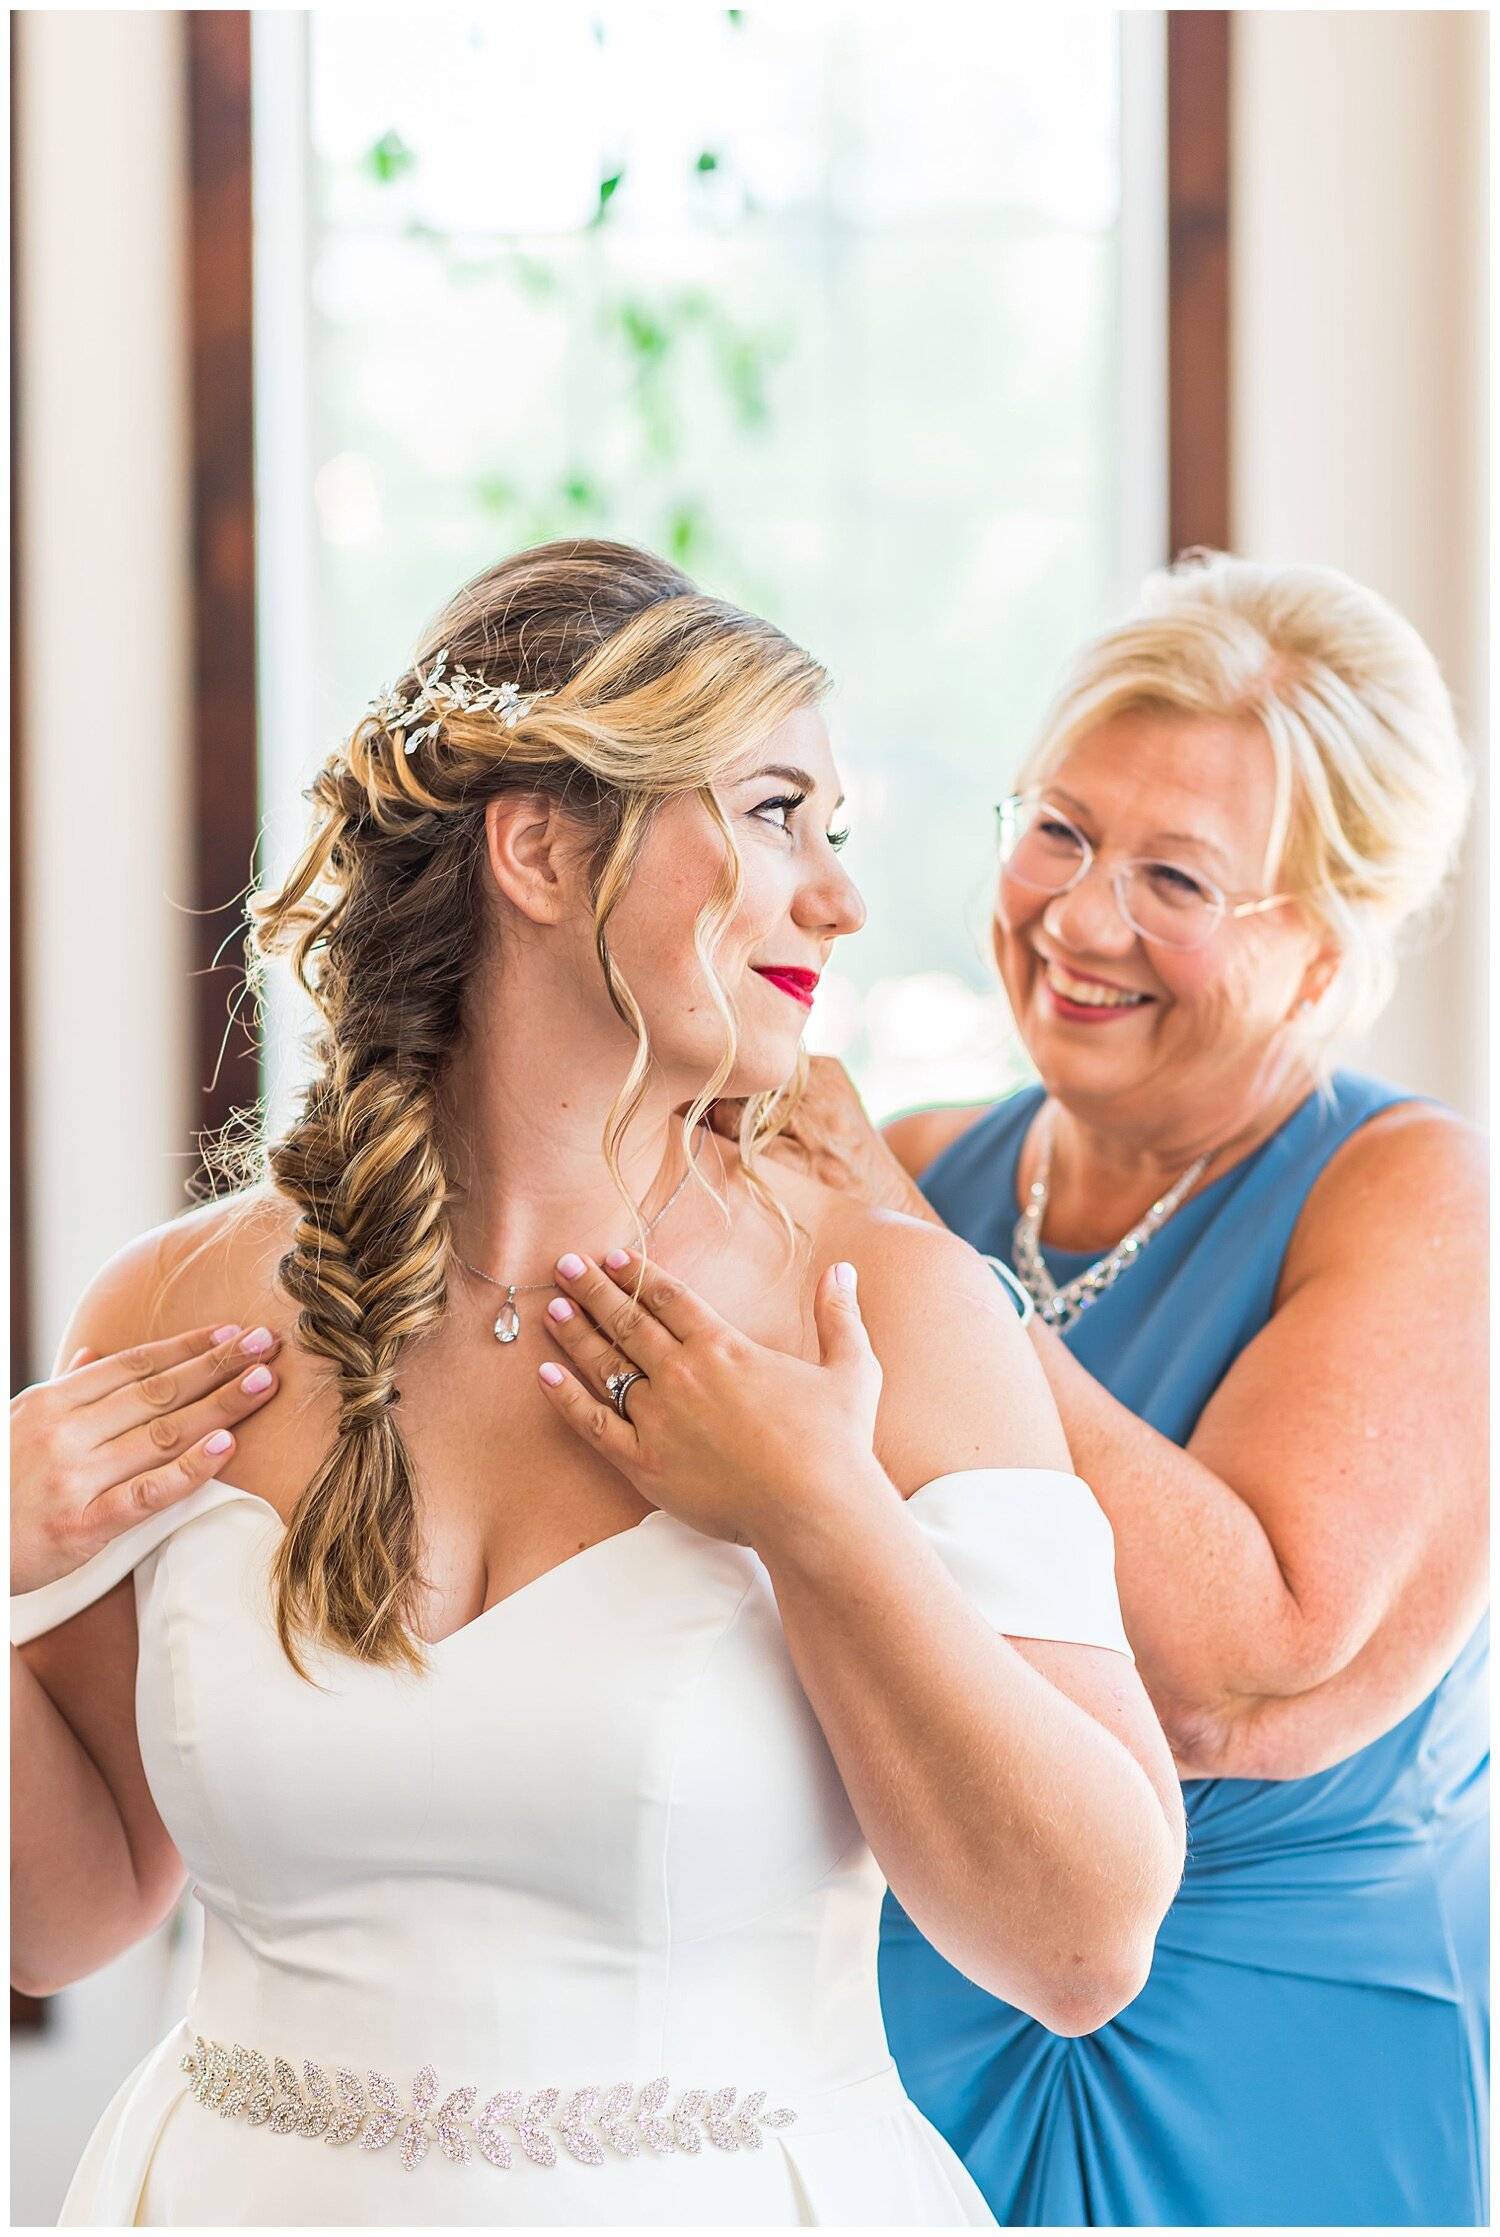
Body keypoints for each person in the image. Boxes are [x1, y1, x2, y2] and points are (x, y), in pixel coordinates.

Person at [10, 540, 1184, 2228]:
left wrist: (823, 1516)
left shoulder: (893, 1314)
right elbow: (67, 1912)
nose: (840, 898)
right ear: (543, 849)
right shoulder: (179, 1307)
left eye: (832, 834)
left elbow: (1085, 1948)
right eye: (778, 812)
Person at [749, 553, 1488, 2226]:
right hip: (911, 2004)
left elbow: (1240, 1655)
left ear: (1323, 945)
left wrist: (932, 1283)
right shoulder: (930, 1160)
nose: (1081, 918)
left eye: (1178, 878)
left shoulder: (1406, 1188)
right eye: (1061, 830)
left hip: (1280, 2050)